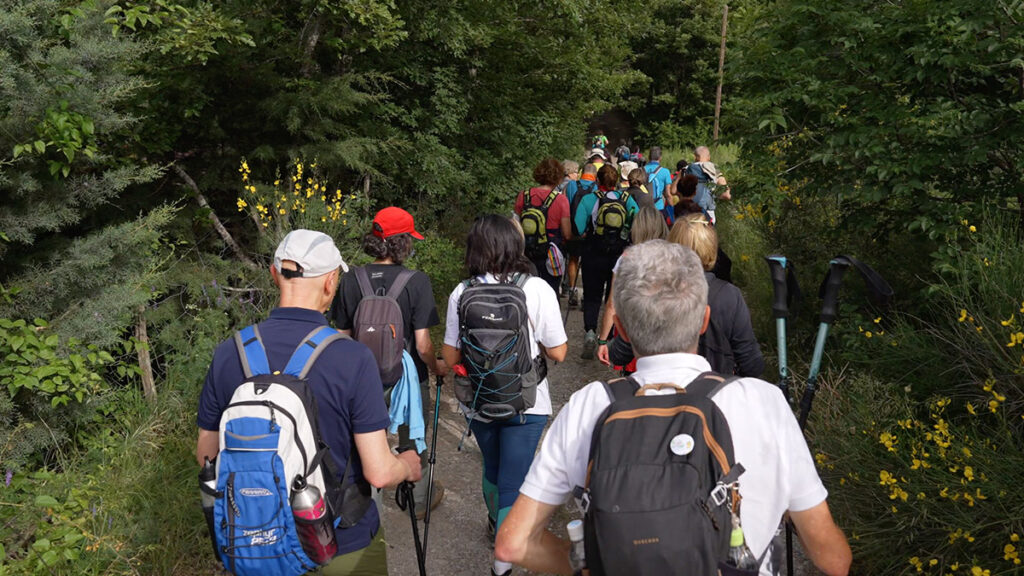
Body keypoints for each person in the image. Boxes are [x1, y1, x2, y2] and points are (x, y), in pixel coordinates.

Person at [494, 240, 852, 576]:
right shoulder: (762, 401)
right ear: (704, 320)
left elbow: (513, 544)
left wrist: (592, 565)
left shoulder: (590, 405)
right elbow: (832, 559)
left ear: (620, 328)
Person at [196, 229, 422, 575]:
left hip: (255, 545)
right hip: (341, 544)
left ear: (274, 275)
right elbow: (378, 471)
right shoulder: (352, 358)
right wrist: (407, 464)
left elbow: (208, 457)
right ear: (331, 282)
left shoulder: (231, 353)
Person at [441, 215, 568, 576]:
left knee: (493, 467)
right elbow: (558, 352)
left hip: (478, 400)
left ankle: (497, 524)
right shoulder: (537, 289)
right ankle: (503, 563)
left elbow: (450, 357)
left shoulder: (461, 292)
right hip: (527, 403)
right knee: (516, 478)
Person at [331, 207, 448, 518]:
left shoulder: (351, 279)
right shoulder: (417, 281)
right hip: (407, 375)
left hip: (360, 375)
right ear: (403, 242)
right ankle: (418, 501)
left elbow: (341, 336)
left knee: (364, 439)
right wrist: (435, 368)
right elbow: (423, 343)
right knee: (413, 435)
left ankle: (364, 504)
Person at [575, 164, 639, 360]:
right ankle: (609, 338)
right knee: (611, 298)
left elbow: (578, 227)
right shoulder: (627, 200)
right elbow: (637, 221)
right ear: (617, 180)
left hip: (593, 252)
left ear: (597, 180)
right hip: (617, 255)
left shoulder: (588, 199)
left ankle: (590, 331)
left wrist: (587, 232)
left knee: (592, 295)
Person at [594, 206, 668, 371]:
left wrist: (603, 341)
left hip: (632, 334)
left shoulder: (626, 259)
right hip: (666, 333)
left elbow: (612, 304)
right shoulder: (673, 257)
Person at [514, 157, 572, 293]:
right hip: (551, 254)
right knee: (550, 292)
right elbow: (567, 234)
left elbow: (515, 224)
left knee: (525, 290)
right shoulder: (560, 200)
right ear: (558, 176)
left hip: (526, 251)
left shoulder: (524, 195)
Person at [564, 163, 600, 308]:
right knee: (588, 264)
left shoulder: (572, 185)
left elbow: (566, 207)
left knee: (573, 259)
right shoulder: (596, 188)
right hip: (589, 231)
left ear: (581, 173)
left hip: (574, 229)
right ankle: (586, 295)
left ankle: (572, 291)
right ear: (595, 175)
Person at [688, 145, 732, 224]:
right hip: (708, 213)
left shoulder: (687, 169)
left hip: (691, 213)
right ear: (709, 157)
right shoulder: (714, 169)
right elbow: (726, 195)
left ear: (696, 157)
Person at [643, 146, 674, 217]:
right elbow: (668, 195)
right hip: (658, 208)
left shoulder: (641, 170)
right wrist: (672, 212)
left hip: (643, 207)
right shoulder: (665, 172)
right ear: (660, 158)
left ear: (649, 157)